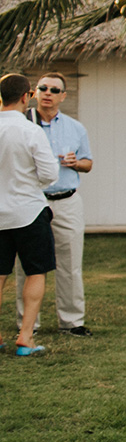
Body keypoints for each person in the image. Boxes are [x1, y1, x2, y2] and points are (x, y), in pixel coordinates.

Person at [19, 72, 93, 337]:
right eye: (43, 88)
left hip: (66, 201)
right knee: (28, 265)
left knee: (70, 262)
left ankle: (72, 322)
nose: (47, 93)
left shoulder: (75, 128)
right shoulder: (24, 125)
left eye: (54, 89)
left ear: (63, 96)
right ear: (34, 93)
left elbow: (88, 163)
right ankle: (28, 324)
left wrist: (76, 163)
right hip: (32, 201)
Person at [0, 73, 58, 356]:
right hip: (29, 212)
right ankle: (25, 337)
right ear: (27, 96)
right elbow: (49, 173)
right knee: (35, 272)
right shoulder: (31, 131)